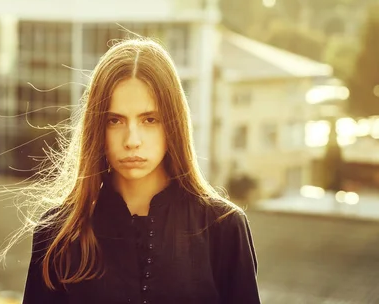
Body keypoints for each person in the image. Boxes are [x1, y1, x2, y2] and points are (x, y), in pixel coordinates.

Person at [17, 38, 260, 304]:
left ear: (173, 123)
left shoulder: (223, 228)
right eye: (115, 120)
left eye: (149, 119)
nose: (132, 140)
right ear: (97, 127)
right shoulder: (58, 234)